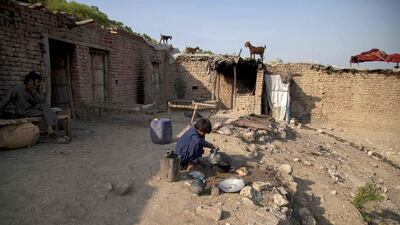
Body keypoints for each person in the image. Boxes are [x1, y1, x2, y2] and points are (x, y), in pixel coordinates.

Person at [0, 71, 69, 143]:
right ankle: (54, 133)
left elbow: (43, 102)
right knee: (47, 112)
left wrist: (35, 93)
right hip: (23, 112)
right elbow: (5, 101)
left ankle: (52, 132)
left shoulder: (36, 89)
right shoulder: (17, 89)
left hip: (34, 110)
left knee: (46, 109)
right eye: (35, 84)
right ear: (30, 81)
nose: (36, 87)